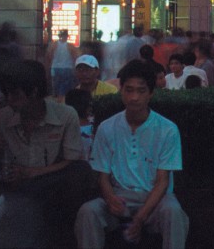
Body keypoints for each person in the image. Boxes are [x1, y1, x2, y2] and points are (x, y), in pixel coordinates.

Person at [75, 61, 188, 249]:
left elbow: (162, 182)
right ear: (121, 91)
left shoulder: (167, 129)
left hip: (155, 199)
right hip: (119, 196)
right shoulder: (107, 127)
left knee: (173, 212)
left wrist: (141, 217)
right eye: (129, 90)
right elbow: (102, 176)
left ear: (151, 93)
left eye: (141, 91)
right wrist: (110, 198)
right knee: (89, 211)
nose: (134, 97)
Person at [0, 59, 94, 246]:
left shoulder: (65, 115)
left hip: (52, 189)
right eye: (7, 94)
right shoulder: (1, 119)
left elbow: (72, 161)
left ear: (34, 92)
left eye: (15, 94)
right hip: (16, 189)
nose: (10, 100)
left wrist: (32, 173)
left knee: (79, 171)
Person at [46, 30, 77, 98]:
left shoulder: (53, 45)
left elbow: (48, 57)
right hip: (68, 69)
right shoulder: (70, 46)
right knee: (66, 89)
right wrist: (75, 70)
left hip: (55, 68)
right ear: (67, 36)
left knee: (55, 88)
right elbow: (75, 58)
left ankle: (56, 102)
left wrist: (48, 68)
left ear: (59, 36)